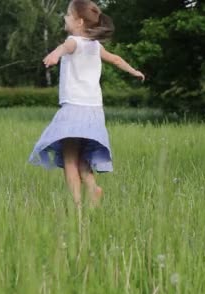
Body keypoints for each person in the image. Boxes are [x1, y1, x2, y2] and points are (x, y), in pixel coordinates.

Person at [29, 0, 145, 207]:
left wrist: (54, 55)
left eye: (67, 15)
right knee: (82, 159)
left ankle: (77, 204)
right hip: (93, 111)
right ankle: (93, 188)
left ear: (79, 22)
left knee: (69, 160)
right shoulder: (95, 46)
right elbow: (116, 59)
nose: (64, 18)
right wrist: (133, 71)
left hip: (74, 109)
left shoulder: (74, 41)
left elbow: (64, 47)